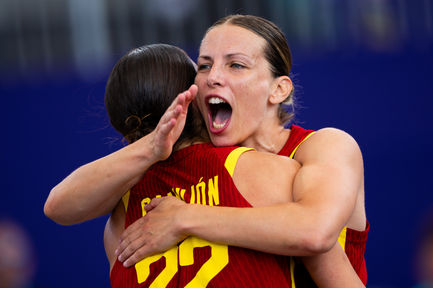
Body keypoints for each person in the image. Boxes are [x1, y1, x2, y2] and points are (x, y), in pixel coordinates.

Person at [46, 14, 369, 286]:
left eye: (236, 65)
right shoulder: (181, 173)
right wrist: (151, 148)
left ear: (278, 88)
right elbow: (59, 207)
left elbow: (313, 231)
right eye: (203, 66)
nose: (213, 77)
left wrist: (187, 217)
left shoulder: (323, 146)